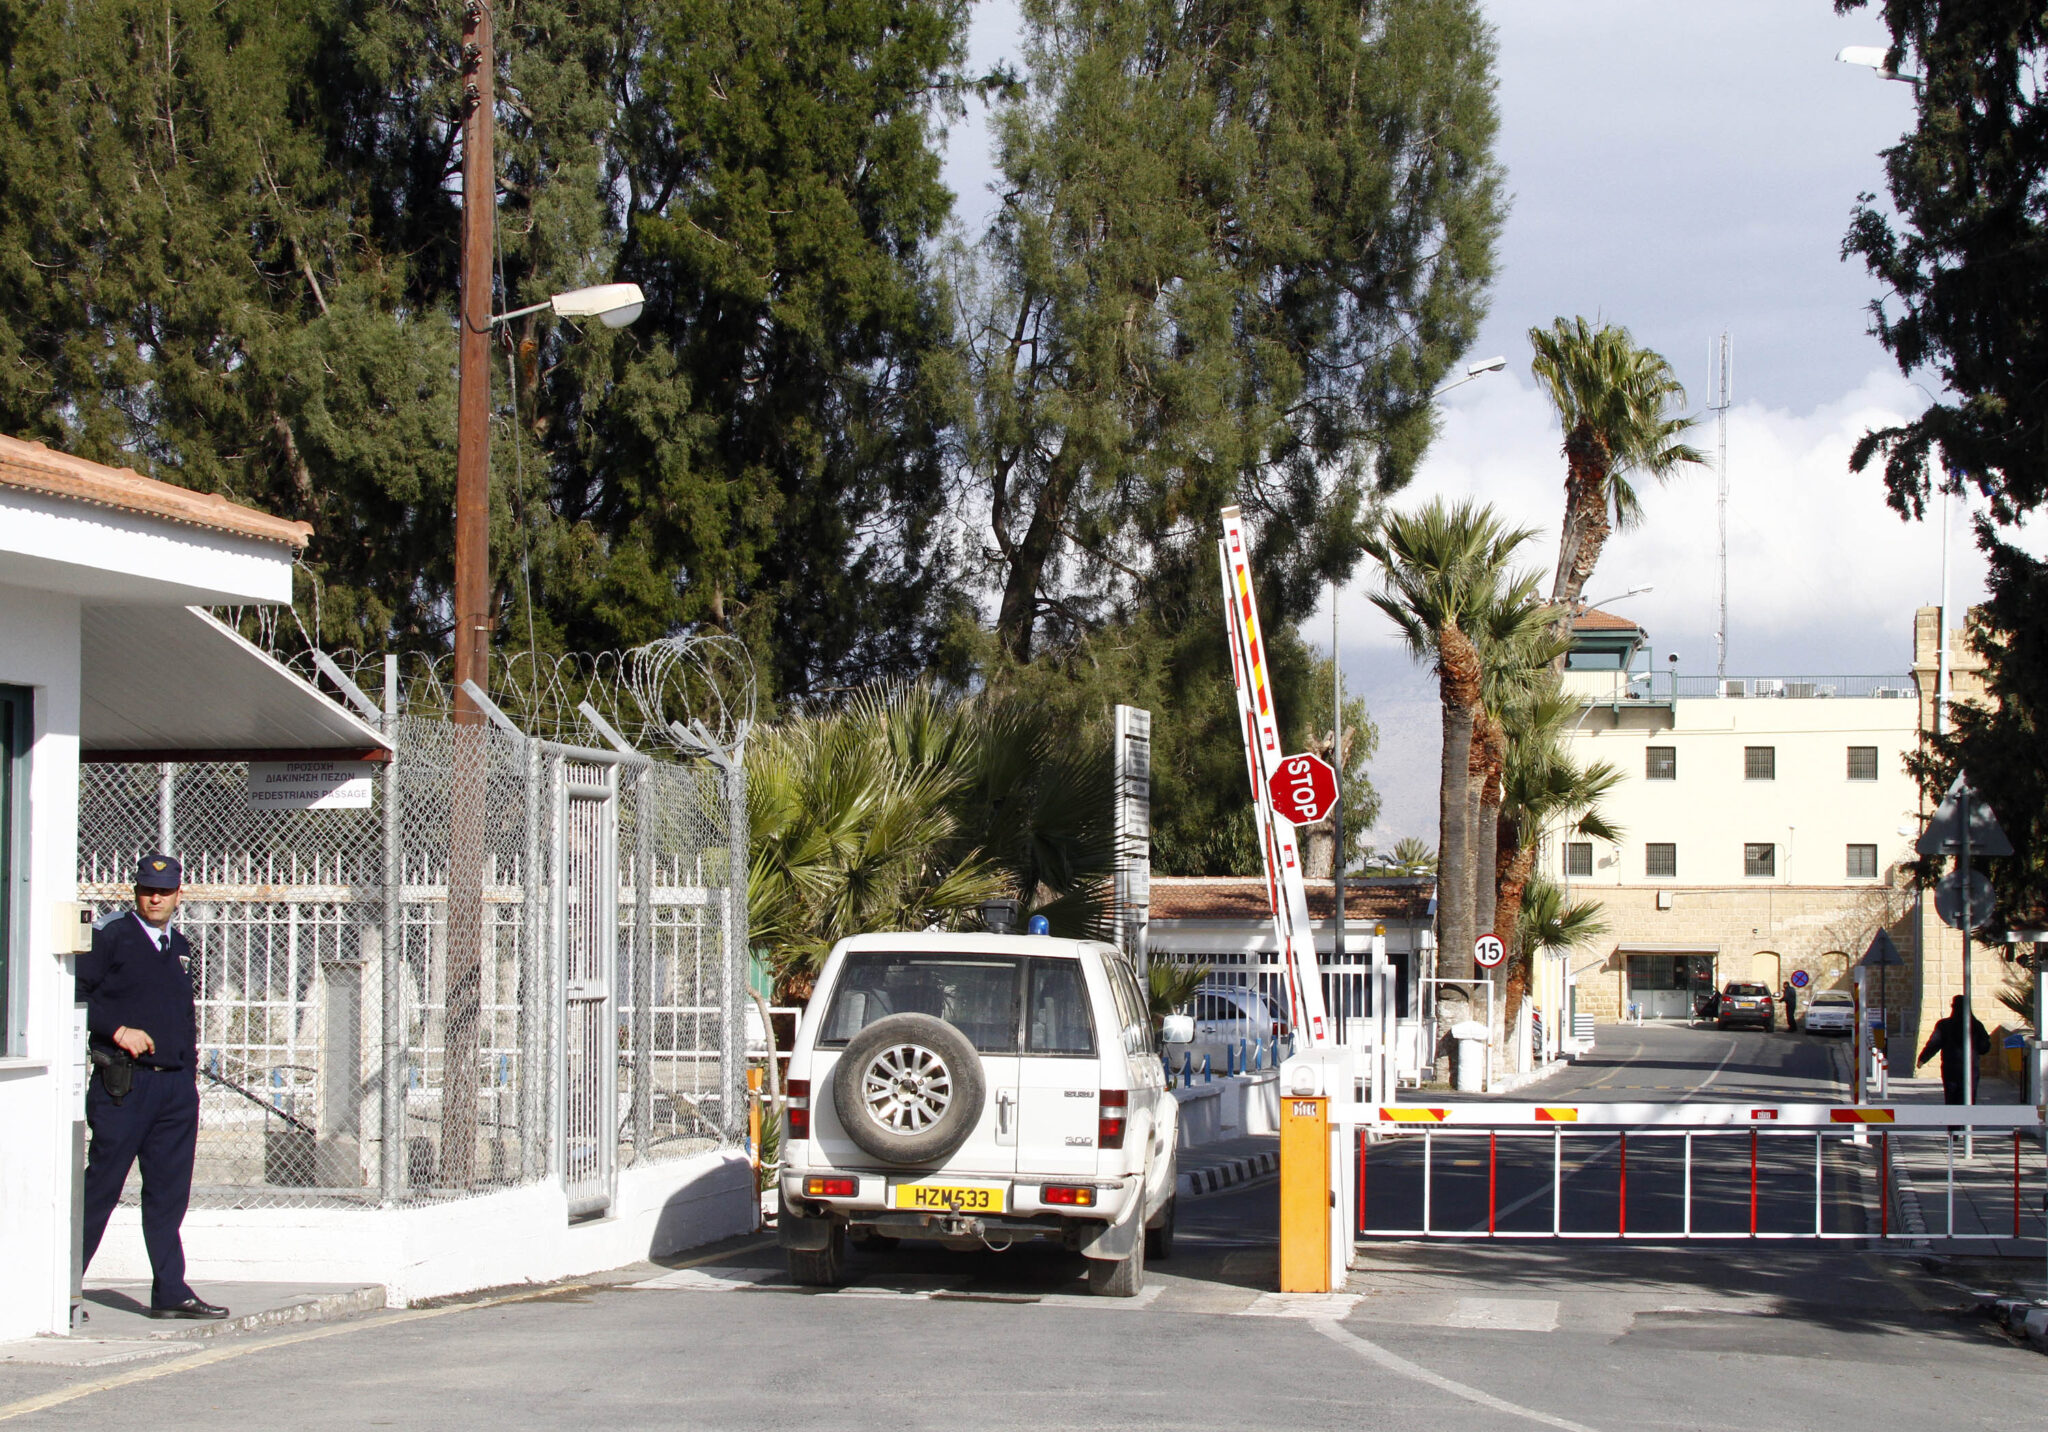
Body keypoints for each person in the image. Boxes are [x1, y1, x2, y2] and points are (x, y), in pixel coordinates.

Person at [75, 855, 228, 1320]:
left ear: (179, 894)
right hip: (125, 1085)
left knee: (167, 1194)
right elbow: (73, 992)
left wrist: (189, 1075)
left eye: (164, 891)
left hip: (174, 1091)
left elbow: (183, 1015)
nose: (155, 898)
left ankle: (170, 1292)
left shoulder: (179, 944)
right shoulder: (110, 936)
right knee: (100, 1188)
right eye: (147, 890)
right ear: (135, 891)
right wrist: (116, 1030)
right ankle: (58, 1286)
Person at [1915, 995, 1991, 1106]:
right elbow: (1984, 1047)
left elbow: (1934, 1044)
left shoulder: (1944, 1025)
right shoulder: (1976, 1025)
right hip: (1970, 1068)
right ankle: (1967, 1122)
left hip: (1950, 1068)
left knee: (1951, 1099)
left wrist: (1922, 1059)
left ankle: (1953, 1122)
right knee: (1969, 1099)